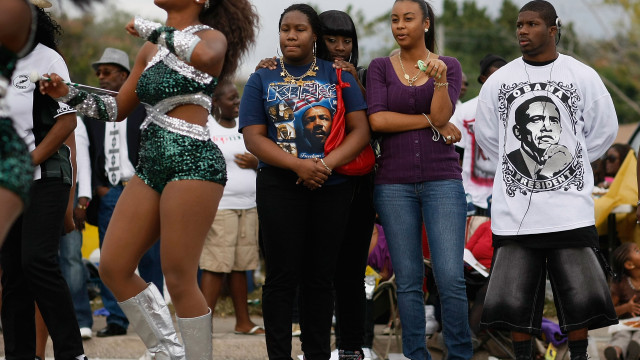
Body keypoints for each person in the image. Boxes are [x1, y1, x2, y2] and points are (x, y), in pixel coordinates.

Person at [39, 0, 258, 359]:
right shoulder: (149, 49)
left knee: (178, 274)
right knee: (113, 265)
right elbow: (117, 108)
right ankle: (167, 349)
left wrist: (151, 28)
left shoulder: (211, 38)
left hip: (193, 162)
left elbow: (204, 58)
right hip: (150, 164)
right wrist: (68, 93)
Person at [475, 2, 619, 360]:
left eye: (532, 24)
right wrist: (517, 170)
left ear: (553, 29)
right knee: (514, 300)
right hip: (515, 212)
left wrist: (577, 160)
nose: (522, 31)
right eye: (519, 24)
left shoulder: (582, 75)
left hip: (570, 211)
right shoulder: (499, 81)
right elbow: (490, 138)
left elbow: (604, 131)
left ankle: (580, 355)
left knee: (580, 297)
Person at [239, 4, 369, 360]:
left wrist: (323, 165)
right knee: (281, 277)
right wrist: (298, 166)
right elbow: (253, 137)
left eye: (299, 29)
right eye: (285, 29)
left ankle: (316, 353)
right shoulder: (261, 77)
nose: (291, 35)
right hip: (279, 186)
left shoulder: (337, 75)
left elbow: (361, 130)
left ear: (314, 36)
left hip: (332, 187)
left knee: (320, 276)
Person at [365, 0, 471, 359]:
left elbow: (444, 114)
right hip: (392, 183)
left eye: (408, 19)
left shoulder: (450, 67)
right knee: (408, 281)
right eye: (394, 19)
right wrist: (431, 122)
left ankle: (460, 353)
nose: (399, 25)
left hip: (442, 180)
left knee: (450, 278)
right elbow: (377, 121)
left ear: (426, 24)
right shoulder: (380, 68)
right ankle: (415, 354)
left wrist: (439, 84)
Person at [2, 3, 89, 359]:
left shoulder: (47, 59)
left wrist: (28, 161)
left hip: (46, 175)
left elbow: (67, 122)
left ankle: (72, 352)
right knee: (12, 274)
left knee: (37, 261)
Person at [82, 47, 164, 338]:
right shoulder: (94, 112)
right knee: (110, 259)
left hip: (141, 189)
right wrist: (99, 189)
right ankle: (116, 320)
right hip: (110, 192)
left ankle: (157, 320)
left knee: (151, 257)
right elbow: (87, 151)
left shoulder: (144, 107)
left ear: (125, 75)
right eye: (99, 73)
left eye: (107, 72)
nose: (101, 78)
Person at [199, 80, 264, 335]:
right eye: (231, 99)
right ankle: (202, 324)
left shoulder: (245, 125)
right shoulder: (207, 127)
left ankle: (243, 322)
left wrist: (256, 162)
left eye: (238, 99)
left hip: (249, 205)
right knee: (216, 265)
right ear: (215, 102)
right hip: (220, 206)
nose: (237, 103)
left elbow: (266, 155)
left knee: (241, 266)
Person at [450, 54, 506, 216]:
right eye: (495, 76)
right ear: (483, 78)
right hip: (472, 197)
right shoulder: (464, 111)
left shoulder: (517, 111)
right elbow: (456, 155)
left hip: (505, 196)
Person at [605, 242, 640, 360]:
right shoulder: (620, 283)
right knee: (621, 336)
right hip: (624, 324)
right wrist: (626, 307)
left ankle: (635, 350)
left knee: (639, 336)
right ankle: (616, 350)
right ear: (630, 264)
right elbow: (610, 312)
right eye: (637, 251)